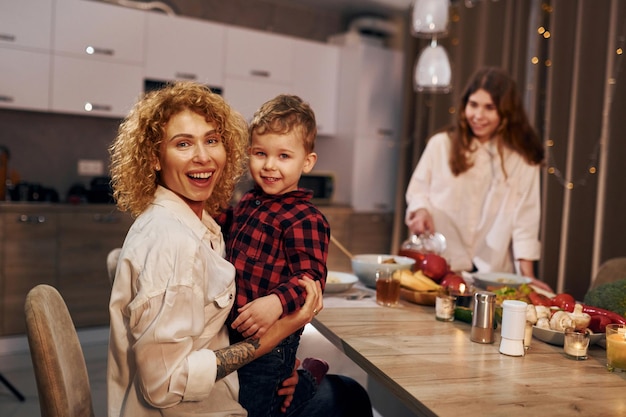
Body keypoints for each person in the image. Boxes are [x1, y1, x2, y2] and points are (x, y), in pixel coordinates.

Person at [106, 81, 323, 417]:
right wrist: (280, 331)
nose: (203, 156)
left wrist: (277, 359)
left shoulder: (200, 222)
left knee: (323, 390)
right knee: (344, 395)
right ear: (154, 157)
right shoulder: (174, 244)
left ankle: (304, 376)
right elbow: (163, 386)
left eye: (211, 140)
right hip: (204, 406)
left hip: (246, 369)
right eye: (183, 144)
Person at [218, 94, 330, 417]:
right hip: (235, 332)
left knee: (259, 408)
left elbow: (309, 281)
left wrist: (277, 302)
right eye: (260, 153)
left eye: (283, 156)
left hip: (272, 345)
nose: (269, 165)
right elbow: (225, 229)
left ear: (306, 162)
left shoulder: (305, 219)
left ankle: (306, 381)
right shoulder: (249, 201)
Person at [405, 67, 552, 292]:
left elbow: (526, 220)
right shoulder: (441, 144)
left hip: (493, 275)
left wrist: (527, 274)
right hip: (442, 268)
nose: (478, 116)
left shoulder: (522, 159)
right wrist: (421, 210)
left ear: (506, 112)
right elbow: (418, 191)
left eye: (489, 108)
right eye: (473, 105)